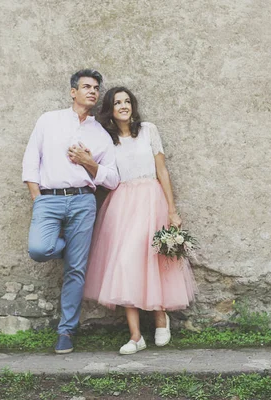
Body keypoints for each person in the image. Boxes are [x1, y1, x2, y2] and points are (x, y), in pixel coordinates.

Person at [72, 87, 196, 355]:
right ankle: (136, 335)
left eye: (127, 101)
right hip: (122, 202)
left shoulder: (149, 130)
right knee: (126, 261)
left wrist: (172, 210)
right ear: (111, 109)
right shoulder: (107, 140)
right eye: (118, 102)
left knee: (154, 258)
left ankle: (161, 317)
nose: (124, 106)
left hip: (151, 198)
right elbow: (104, 172)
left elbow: (162, 169)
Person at [22, 69, 119, 354]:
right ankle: (68, 247)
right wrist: (37, 198)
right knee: (39, 249)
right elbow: (31, 161)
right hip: (49, 199)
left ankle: (66, 331)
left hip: (82, 200)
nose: (92, 91)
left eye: (96, 88)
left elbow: (112, 179)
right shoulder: (48, 120)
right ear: (72, 92)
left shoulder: (100, 134)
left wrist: (89, 162)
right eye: (86, 86)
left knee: (76, 269)